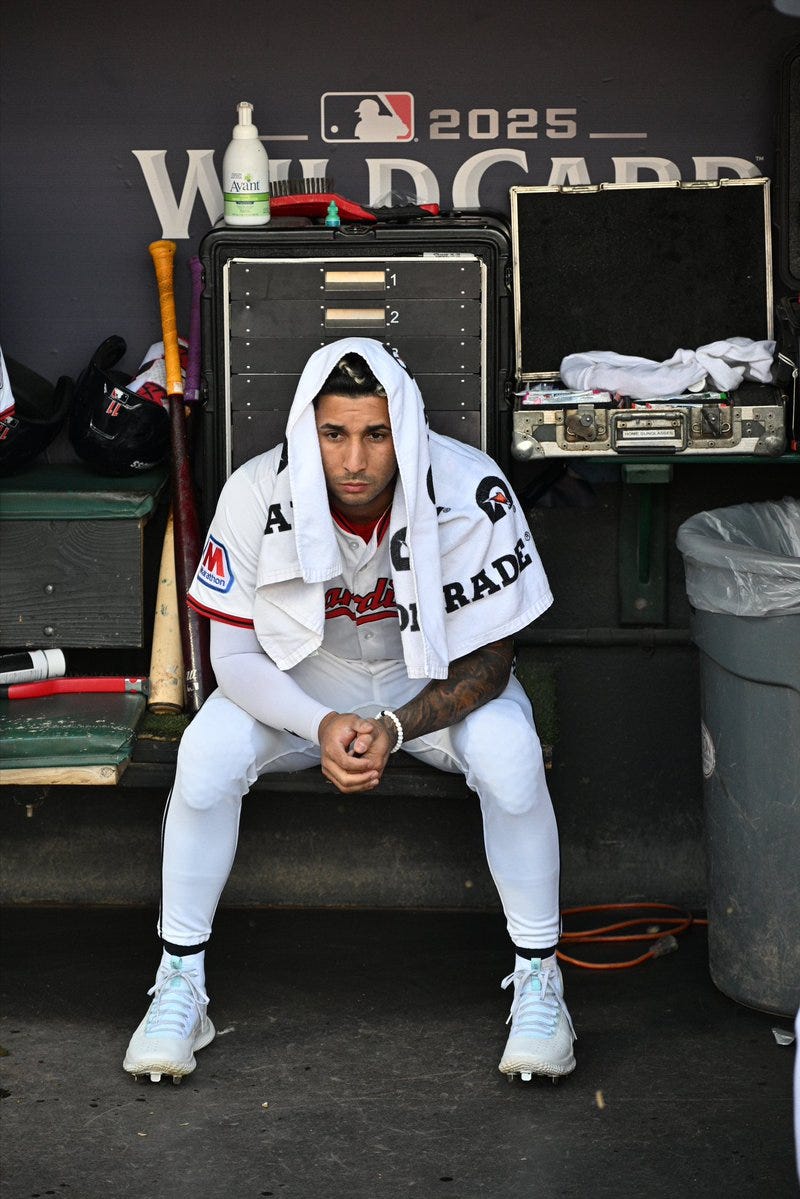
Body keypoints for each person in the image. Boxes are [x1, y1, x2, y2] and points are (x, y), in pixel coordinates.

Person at [123, 337, 576, 1085]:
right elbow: (232, 660)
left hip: (426, 684)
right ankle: (180, 984)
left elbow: (493, 662)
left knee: (511, 754)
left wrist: (395, 725)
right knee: (204, 754)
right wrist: (319, 724)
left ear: (405, 426)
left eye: (376, 433)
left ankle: (540, 985)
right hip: (306, 684)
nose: (356, 460)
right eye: (335, 434)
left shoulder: (470, 488)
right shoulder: (254, 493)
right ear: (309, 429)